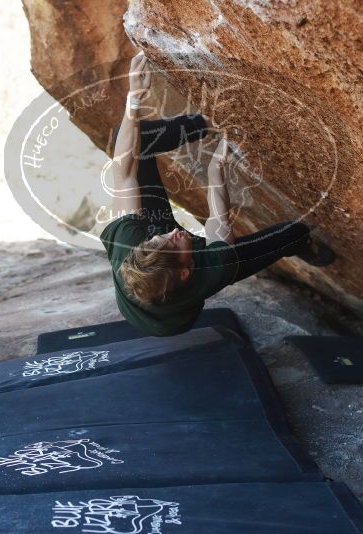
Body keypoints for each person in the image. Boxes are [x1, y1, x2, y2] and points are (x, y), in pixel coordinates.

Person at [99, 51, 335, 337]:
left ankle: (205, 122)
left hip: (159, 262)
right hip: (174, 319)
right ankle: (303, 245)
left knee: (129, 138)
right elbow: (217, 220)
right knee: (293, 232)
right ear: (187, 271)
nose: (173, 234)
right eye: (172, 242)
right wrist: (217, 168)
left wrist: (133, 100)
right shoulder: (210, 270)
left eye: (158, 238)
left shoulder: (130, 242)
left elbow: (122, 172)